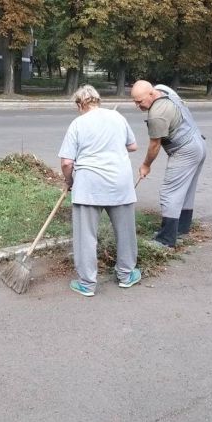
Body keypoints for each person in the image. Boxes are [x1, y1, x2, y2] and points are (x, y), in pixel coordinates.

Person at [59, 84, 141, 297]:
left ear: (80, 104)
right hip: (119, 183)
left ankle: (87, 283)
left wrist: (69, 181)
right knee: (125, 233)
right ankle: (126, 275)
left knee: (86, 236)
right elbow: (132, 146)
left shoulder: (78, 123)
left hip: (89, 186)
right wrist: (111, 147)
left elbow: (67, 162)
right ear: (97, 100)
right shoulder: (117, 118)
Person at [130, 80, 206, 248]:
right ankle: (181, 229)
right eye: (135, 101)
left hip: (185, 149)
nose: (137, 106)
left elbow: (154, 145)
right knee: (186, 190)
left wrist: (145, 165)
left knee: (169, 193)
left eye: (140, 101)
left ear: (151, 94)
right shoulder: (163, 90)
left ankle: (166, 240)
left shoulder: (157, 114)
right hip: (198, 142)